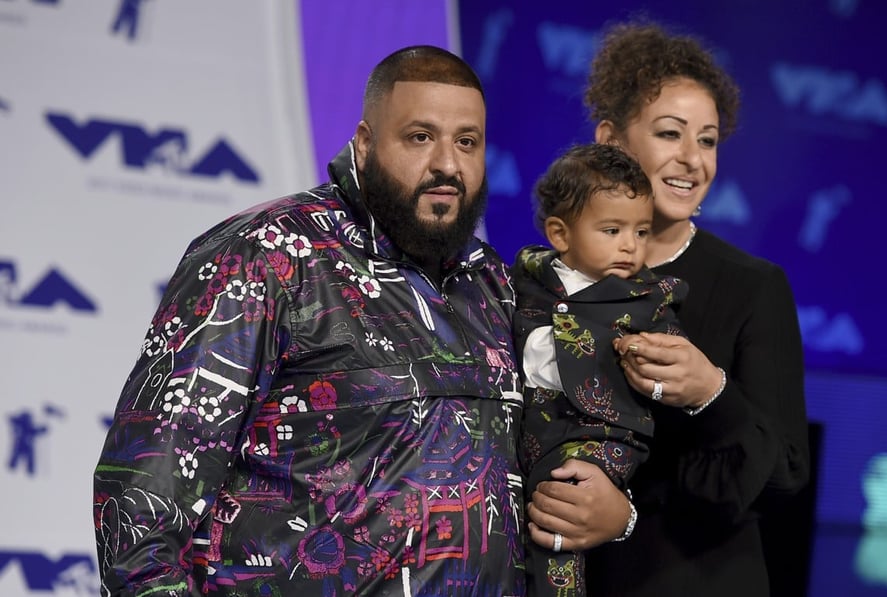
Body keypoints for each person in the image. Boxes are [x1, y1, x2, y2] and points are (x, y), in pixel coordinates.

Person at [92, 45, 625, 597]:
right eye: (420, 137)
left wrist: (617, 508)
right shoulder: (269, 254)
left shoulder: (491, 281)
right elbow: (140, 501)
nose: (447, 163)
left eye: (467, 142)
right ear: (365, 144)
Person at [527, 21, 811, 597]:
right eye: (670, 134)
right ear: (610, 140)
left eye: (706, 140)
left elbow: (785, 477)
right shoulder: (540, 277)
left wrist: (712, 391)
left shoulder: (752, 287)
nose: (691, 160)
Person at [513, 143, 684, 596]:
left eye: (642, 232)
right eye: (612, 230)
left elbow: (675, 356)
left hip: (600, 436)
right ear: (560, 233)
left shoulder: (648, 299)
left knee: (558, 513)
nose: (631, 246)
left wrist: (649, 351)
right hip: (525, 431)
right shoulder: (523, 282)